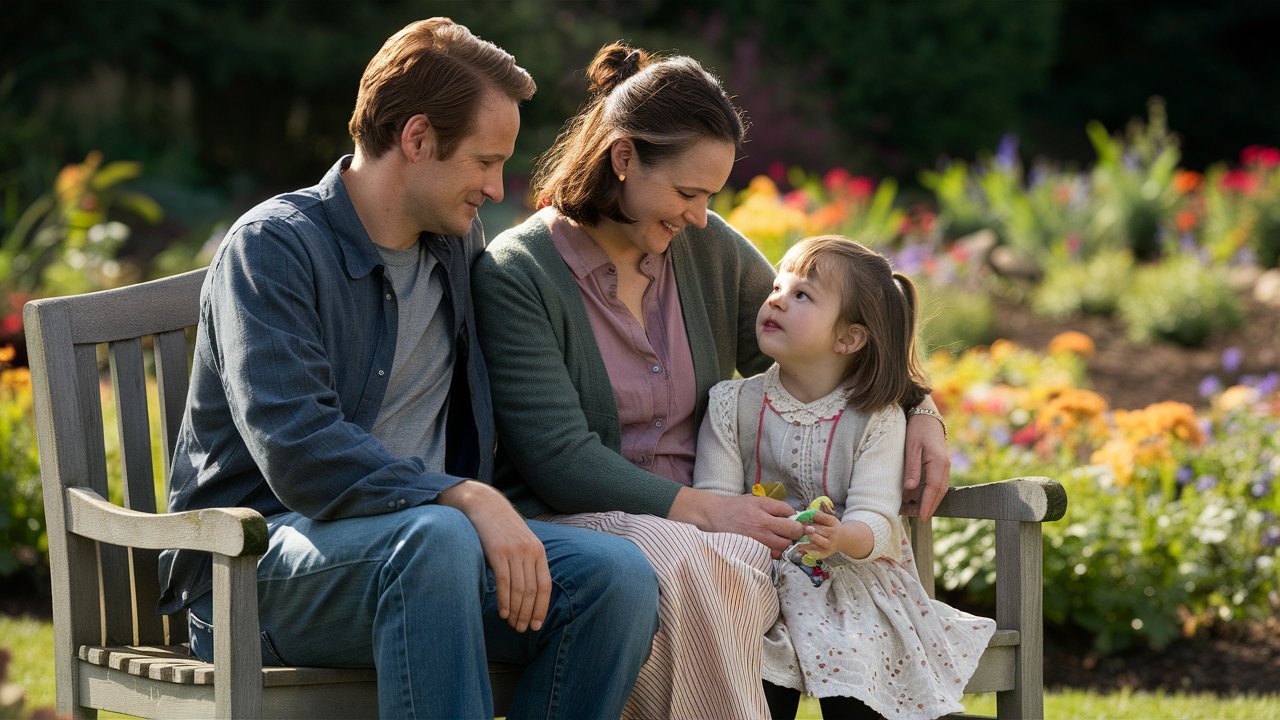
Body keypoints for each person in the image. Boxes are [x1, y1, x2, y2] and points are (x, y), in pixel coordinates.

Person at [156, 18, 658, 720]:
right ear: (418, 139)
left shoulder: (451, 243)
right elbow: (298, 450)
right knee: (439, 537)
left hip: (425, 560)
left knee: (618, 580)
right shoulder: (272, 250)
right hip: (256, 573)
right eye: (485, 161)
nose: (497, 185)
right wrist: (465, 496)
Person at [472, 43, 951, 719]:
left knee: (720, 564)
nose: (699, 215)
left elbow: (820, 349)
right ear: (624, 159)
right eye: (687, 193)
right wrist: (708, 510)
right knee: (693, 562)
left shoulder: (704, 248)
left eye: (709, 198)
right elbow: (559, 458)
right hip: (581, 526)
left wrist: (920, 408)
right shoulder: (518, 272)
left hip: (714, 541)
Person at [693, 235, 995, 719]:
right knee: (754, 664)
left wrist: (840, 536)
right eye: (777, 286)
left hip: (852, 581)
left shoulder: (876, 417)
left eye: (802, 295)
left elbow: (878, 523)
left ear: (848, 338)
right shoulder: (731, 405)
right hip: (755, 576)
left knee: (856, 658)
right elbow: (713, 503)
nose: (775, 299)